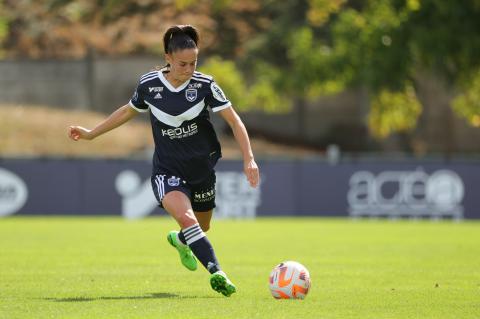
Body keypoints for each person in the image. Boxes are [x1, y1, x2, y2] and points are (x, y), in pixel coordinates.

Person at [68, 25, 260, 297]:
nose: (189, 68)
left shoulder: (205, 85)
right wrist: (91, 134)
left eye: (194, 62)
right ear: (168, 58)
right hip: (168, 169)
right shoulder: (149, 84)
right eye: (182, 63)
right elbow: (127, 111)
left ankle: (181, 241)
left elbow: (235, 121)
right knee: (187, 218)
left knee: (201, 227)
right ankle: (218, 273)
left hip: (202, 168)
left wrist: (249, 159)